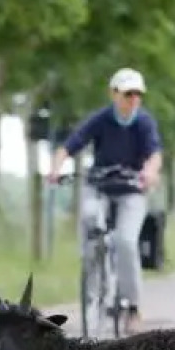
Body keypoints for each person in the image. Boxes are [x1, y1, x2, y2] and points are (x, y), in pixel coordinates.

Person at [47, 67, 163, 334]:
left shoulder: (143, 123)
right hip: (100, 186)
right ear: (114, 94)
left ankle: (133, 308)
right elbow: (69, 146)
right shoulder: (100, 120)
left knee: (125, 241)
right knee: (89, 218)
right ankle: (91, 264)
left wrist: (150, 172)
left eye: (138, 95)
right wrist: (56, 168)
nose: (133, 100)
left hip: (131, 190)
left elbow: (154, 154)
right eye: (127, 94)